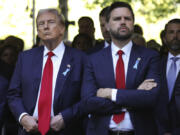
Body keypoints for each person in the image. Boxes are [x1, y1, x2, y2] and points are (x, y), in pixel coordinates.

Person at [81, 2, 161, 135]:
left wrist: (110, 93)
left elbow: (150, 98)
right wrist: (135, 94)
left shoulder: (150, 57)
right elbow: (88, 103)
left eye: (127, 18)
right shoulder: (92, 59)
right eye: (117, 19)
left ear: (133, 23)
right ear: (107, 25)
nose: (123, 22)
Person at [7, 8, 85, 135]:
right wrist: (23, 117)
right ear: (38, 31)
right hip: (29, 130)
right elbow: (13, 94)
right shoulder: (25, 58)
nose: (46, 27)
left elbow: (87, 97)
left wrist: (66, 116)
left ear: (62, 28)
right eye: (41, 24)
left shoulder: (80, 59)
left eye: (51, 22)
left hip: (66, 129)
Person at [157, 18, 180, 135]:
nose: (175, 36)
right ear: (164, 38)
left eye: (179, 32)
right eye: (171, 32)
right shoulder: (155, 65)